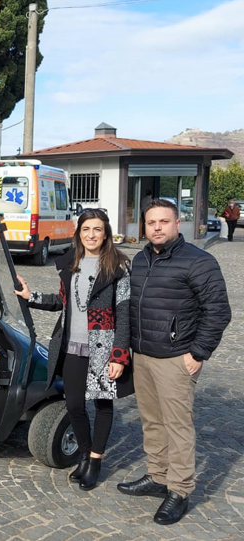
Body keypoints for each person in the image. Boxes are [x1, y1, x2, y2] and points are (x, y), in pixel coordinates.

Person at [118, 198, 230, 525]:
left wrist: (198, 353)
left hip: (176, 359)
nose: (156, 227)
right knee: (152, 422)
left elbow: (218, 312)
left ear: (176, 223)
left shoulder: (198, 262)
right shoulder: (139, 260)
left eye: (163, 222)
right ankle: (157, 476)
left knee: (178, 427)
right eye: (151, 222)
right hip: (143, 356)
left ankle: (179, 490)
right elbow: (129, 307)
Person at [16, 209, 133, 491]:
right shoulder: (70, 262)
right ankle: (83, 453)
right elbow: (64, 302)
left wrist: (119, 355)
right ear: (79, 233)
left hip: (103, 347)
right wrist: (32, 297)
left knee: (102, 405)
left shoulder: (118, 266)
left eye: (97, 229)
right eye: (86, 230)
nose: (91, 235)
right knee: (74, 404)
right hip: (71, 345)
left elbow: (125, 312)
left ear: (106, 233)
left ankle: (95, 460)